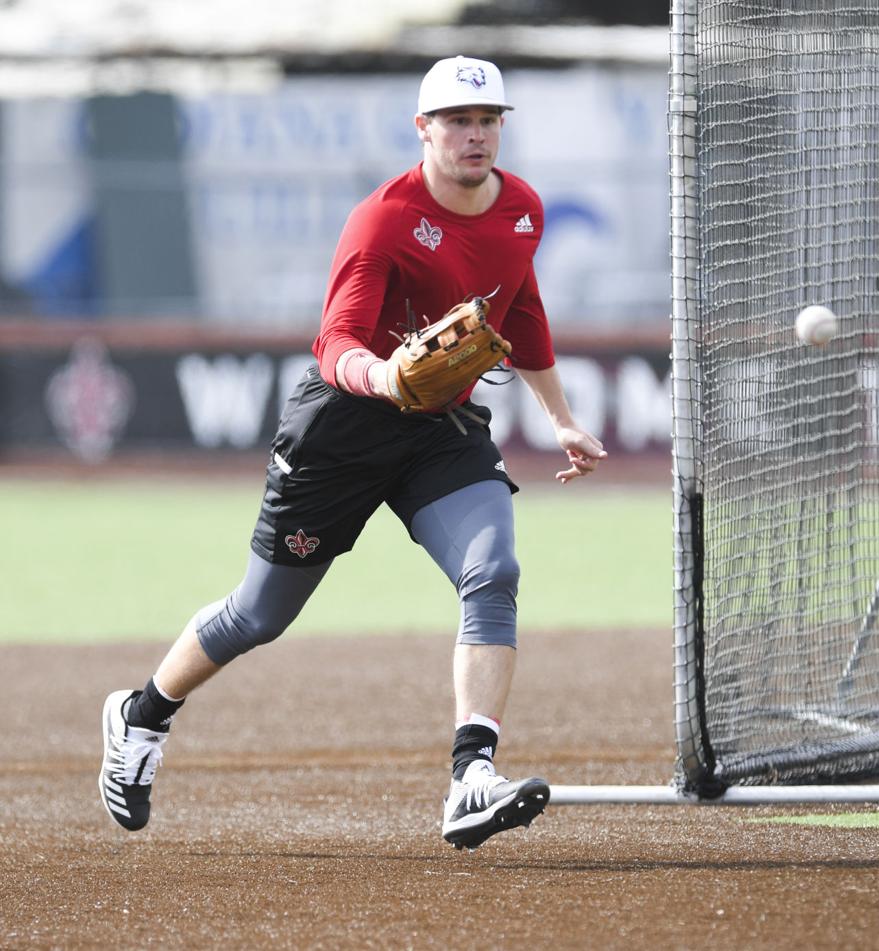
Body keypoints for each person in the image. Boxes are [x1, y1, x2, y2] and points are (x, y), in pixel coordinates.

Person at [98, 55, 607, 851]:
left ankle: (471, 775)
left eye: (488, 121)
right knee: (259, 614)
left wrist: (560, 416)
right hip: (343, 426)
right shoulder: (384, 218)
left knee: (494, 570)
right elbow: (334, 338)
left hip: (439, 430)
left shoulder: (522, 211)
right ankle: (142, 714)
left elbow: (526, 310)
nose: (475, 135)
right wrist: (387, 372)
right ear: (424, 129)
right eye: (458, 121)